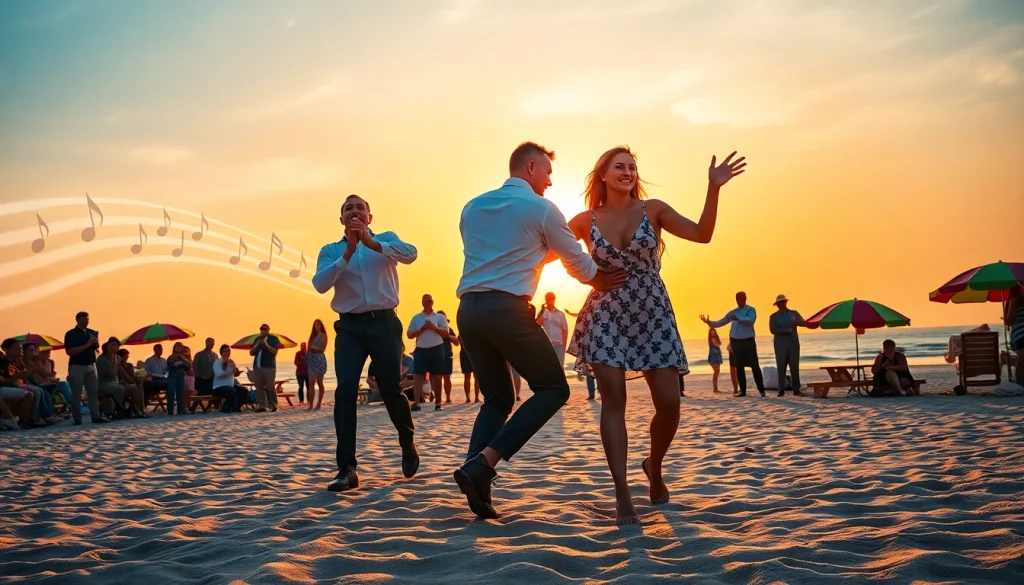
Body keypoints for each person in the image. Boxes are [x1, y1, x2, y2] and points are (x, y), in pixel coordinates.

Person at [567, 146, 745, 524]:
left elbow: (702, 234)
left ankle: (654, 464)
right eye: (619, 167)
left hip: (653, 312)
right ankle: (622, 494)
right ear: (602, 174)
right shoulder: (584, 220)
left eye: (632, 167)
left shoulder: (654, 210)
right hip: (606, 313)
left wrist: (713, 188)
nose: (628, 172)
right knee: (613, 400)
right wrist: (590, 275)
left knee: (669, 403)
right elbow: (551, 250)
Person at [453, 141, 627, 520]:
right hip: (507, 310)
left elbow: (508, 252)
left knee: (497, 398)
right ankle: (484, 464)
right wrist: (604, 280)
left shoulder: (472, 207)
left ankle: (475, 476)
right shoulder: (542, 208)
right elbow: (577, 263)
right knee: (553, 389)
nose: (550, 182)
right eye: (547, 173)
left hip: (468, 312)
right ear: (531, 167)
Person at [312, 193, 419, 492]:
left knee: (390, 388)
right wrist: (347, 253)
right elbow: (320, 284)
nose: (355, 211)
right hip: (349, 328)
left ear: (370, 217)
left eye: (360, 208)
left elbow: (411, 254)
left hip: (385, 324)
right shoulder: (330, 250)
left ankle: (407, 440)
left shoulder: (386, 239)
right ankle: (347, 468)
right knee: (345, 389)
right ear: (341, 218)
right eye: (348, 208)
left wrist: (373, 245)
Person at [702, 292, 765, 397]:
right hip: (736, 342)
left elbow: (751, 320)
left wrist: (739, 319)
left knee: (755, 366)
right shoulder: (733, 312)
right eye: (737, 298)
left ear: (745, 298)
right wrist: (709, 322)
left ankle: (761, 390)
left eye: (741, 298)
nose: (739, 300)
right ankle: (743, 391)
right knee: (739, 367)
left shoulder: (750, 310)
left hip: (748, 341)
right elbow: (721, 322)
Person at [63, 311, 109, 424]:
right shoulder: (71, 334)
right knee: (77, 393)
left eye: (87, 319)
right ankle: (77, 418)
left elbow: (96, 347)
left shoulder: (92, 332)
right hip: (77, 366)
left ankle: (96, 416)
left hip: (91, 364)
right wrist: (87, 345)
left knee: (93, 392)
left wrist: (95, 343)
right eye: (83, 319)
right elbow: (70, 351)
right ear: (77, 320)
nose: (86, 321)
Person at [407, 294, 449, 411]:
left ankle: (438, 403)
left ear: (433, 302)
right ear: (422, 303)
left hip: (436, 348)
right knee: (418, 376)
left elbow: (446, 332)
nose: (428, 303)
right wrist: (422, 329)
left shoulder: (439, 317)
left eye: (430, 300)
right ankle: (417, 403)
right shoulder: (416, 318)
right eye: (426, 301)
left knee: (437, 376)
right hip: (421, 349)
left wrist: (433, 327)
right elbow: (409, 334)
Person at [768, 294, 806, 396]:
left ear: (786, 302)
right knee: (781, 366)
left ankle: (796, 389)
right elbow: (772, 329)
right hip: (780, 343)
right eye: (779, 303)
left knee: (794, 366)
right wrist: (786, 330)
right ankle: (781, 390)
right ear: (777, 305)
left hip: (793, 342)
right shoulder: (773, 317)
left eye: (783, 302)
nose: (782, 304)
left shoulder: (794, 313)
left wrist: (795, 322)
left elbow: (803, 322)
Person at [249, 324, 280, 412]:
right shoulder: (257, 339)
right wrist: (257, 344)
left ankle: (273, 405)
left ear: (268, 330)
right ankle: (262, 405)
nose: (263, 331)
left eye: (265, 329)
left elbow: (274, 352)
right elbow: (251, 352)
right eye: (261, 329)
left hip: (269, 366)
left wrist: (266, 344)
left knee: (270, 386)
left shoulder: (273, 339)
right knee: (259, 387)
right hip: (257, 367)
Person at [96, 337, 129, 419]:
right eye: (113, 345)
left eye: (117, 345)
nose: (115, 347)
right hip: (104, 384)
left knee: (136, 388)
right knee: (119, 388)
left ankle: (138, 410)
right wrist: (116, 365)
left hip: (116, 382)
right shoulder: (101, 359)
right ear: (107, 347)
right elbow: (108, 374)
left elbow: (123, 372)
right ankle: (120, 409)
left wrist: (132, 380)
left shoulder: (117, 358)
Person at [537, 292, 569, 369]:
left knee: (559, 367)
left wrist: (564, 344)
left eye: (552, 298)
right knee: (546, 367)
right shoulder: (542, 312)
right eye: (548, 298)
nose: (550, 300)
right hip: (546, 344)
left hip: (559, 344)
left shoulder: (560, 313)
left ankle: (560, 381)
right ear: (546, 299)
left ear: (554, 299)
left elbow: (565, 329)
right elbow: (537, 326)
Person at [115, 348, 149, 418]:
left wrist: (141, 376)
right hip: (122, 384)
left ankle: (140, 410)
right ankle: (137, 410)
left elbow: (133, 376)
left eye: (127, 355)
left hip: (131, 383)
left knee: (140, 386)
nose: (126, 357)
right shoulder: (117, 366)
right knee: (137, 387)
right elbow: (123, 377)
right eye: (125, 355)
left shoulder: (129, 365)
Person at [212, 344, 245, 413]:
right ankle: (227, 408)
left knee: (244, 391)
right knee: (231, 391)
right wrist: (230, 371)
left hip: (230, 386)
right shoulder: (217, 362)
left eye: (229, 351)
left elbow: (235, 374)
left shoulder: (231, 362)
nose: (228, 352)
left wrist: (237, 372)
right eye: (226, 351)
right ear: (221, 352)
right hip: (219, 387)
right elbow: (219, 374)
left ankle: (236, 407)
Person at [306, 319, 329, 410]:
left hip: (319, 359)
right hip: (312, 359)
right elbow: (308, 349)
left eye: (319, 324)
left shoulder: (323, 335)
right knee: (311, 382)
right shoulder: (312, 336)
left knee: (319, 382)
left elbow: (322, 349)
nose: (317, 326)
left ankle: (318, 403)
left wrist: (314, 348)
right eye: (315, 324)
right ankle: (310, 404)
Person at [438, 310, 458, 404]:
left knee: (447, 377)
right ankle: (436, 397)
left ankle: (448, 397)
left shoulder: (449, 329)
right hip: (436, 355)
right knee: (436, 377)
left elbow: (457, 342)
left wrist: (448, 336)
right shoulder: (433, 329)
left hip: (447, 355)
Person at [166, 342, 191, 415]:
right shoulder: (171, 357)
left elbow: (188, 366)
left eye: (181, 346)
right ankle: (170, 410)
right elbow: (171, 364)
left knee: (180, 393)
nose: (179, 348)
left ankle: (180, 410)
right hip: (172, 376)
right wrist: (179, 362)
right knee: (171, 392)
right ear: (174, 348)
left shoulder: (184, 357)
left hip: (181, 376)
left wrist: (182, 359)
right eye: (178, 346)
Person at [1005, 289, 1024, 387]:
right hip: (1020, 333)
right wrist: (1013, 303)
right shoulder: (1014, 300)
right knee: (1023, 354)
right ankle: (1021, 384)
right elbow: (1008, 322)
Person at [708, 328, 723, 393]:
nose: (713, 333)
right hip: (713, 356)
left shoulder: (715, 339)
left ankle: (716, 388)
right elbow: (718, 345)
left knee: (717, 372)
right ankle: (715, 388)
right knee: (716, 372)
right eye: (712, 332)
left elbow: (719, 344)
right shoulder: (711, 339)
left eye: (713, 332)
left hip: (717, 355)